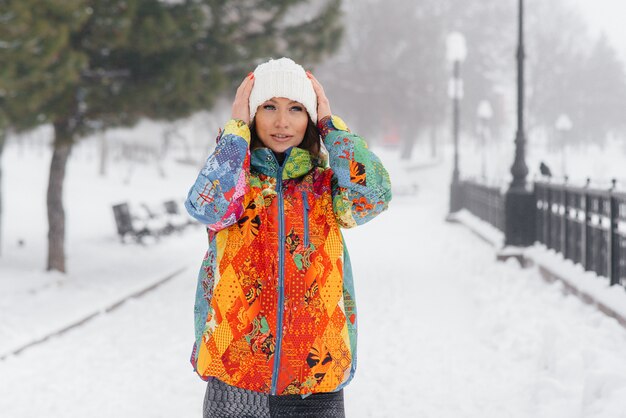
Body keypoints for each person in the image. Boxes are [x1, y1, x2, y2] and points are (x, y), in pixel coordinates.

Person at [185, 57, 392, 417]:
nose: (282, 121)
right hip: (237, 371)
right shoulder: (236, 181)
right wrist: (235, 133)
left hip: (315, 373)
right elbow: (206, 206)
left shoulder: (326, 187)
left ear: (309, 118)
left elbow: (373, 195)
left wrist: (331, 126)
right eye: (269, 107)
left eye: (296, 109)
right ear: (252, 115)